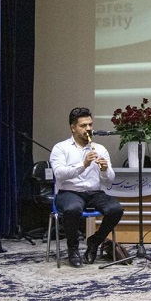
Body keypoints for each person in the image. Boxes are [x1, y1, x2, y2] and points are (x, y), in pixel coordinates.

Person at [50, 108, 124, 268]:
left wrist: (105, 169)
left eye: (90, 124)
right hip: (69, 192)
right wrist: (83, 164)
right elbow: (60, 174)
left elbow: (109, 180)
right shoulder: (61, 148)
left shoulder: (100, 149)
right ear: (73, 128)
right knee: (72, 209)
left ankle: (94, 242)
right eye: (83, 125)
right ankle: (73, 249)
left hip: (94, 192)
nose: (88, 129)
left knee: (116, 209)